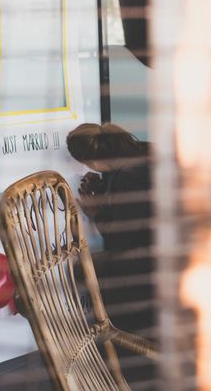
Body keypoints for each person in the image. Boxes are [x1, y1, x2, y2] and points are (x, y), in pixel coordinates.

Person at [67, 123, 155, 386]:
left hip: (154, 260)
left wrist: (94, 212)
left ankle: (113, 347)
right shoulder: (142, 153)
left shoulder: (128, 177)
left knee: (84, 270)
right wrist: (105, 186)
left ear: (91, 159)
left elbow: (120, 237)